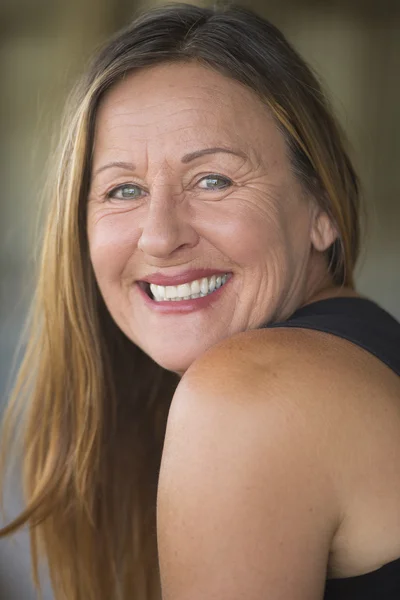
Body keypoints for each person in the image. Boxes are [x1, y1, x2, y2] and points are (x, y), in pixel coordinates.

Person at [1, 2, 399, 599]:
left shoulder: (249, 393)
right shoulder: (366, 353)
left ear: (321, 208)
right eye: (123, 189)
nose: (161, 236)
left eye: (213, 180)